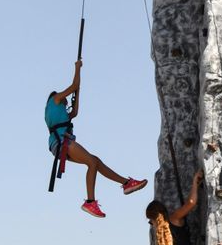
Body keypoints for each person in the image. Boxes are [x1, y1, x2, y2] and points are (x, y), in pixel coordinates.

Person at [45, 59, 147, 218]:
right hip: (62, 143)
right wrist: (77, 69)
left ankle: (126, 184)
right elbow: (73, 86)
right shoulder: (55, 99)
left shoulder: (59, 113)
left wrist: (76, 95)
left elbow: (75, 112)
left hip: (59, 145)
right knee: (91, 162)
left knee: (95, 161)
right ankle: (90, 201)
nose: (66, 104)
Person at [146, 170, 203, 245]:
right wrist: (195, 182)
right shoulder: (174, 218)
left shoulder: (160, 230)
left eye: (150, 221)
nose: (152, 224)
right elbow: (191, 203)